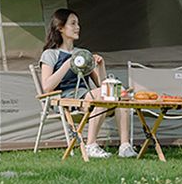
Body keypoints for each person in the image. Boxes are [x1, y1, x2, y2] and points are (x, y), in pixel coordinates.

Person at [40, 9, 136, 159]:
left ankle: (125, 146)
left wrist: (100, 66)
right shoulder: (50, 54)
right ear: (60, 28)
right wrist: (68, 63)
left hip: (87, 96)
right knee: (102, 95)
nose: (78, 27)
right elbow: (46, 87)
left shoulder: (83, 53)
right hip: (65, 99)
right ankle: (91, 145)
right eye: (73, 24)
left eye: (78, 23)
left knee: (119, 92)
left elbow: (102, 86)